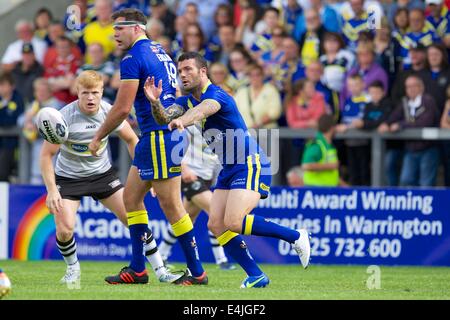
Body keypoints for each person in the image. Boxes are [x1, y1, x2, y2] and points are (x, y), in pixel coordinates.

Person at [143, 51, 311, 288]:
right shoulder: (186, 101)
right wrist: (155, 102)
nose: (183, 75)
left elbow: (203, 111)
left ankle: (295, 236)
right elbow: (163, 117)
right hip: (229, 167)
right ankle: (256, 275)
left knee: (233, 221)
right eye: (180, 71)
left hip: (250, 163)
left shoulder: (217, 95)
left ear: (203, 71)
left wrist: (184, 120)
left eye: (188, 69)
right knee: (216, 224)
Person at [88, 8, 207, 285]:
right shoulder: (159, 50)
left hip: (158, 137)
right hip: (159, 136)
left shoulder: (133, 57)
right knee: (131, 199)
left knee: (172, 206)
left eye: (120, 28)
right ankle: (138, 269)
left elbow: (121, 108)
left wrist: (99, 137)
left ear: (137, 28)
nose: (114, 34)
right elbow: (175, 94)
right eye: (113, 29)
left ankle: (197, 272)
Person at [40, 70, 179, 284]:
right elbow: (46, 155)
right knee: (65, 229)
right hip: (68, 178)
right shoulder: (64, 117)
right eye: (85, 92)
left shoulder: (109, 112)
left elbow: (132, 140)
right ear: (77, 92)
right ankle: (72, 269)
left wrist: (146, 173)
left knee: (134, 218)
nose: (90, 98)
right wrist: (51, 190)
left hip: (103, 175)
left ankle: (161, 270)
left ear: (102, 92)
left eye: (95, 92)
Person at [158, 125, 236, 271]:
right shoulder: (193, 124)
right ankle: (222, 260)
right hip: (190, 176)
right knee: (217, 212)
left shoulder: (220, 125)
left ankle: (161, 254)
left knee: (184, 219)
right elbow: (174, 145)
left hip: (205, 178)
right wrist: (184, 169)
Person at [379, 75, 440, 187]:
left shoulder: (428, 101)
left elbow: (425, 122)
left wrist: (401, 125)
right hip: (411, 149)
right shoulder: (405, 102)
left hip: (428, 148)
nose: (411, 89)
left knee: (426, 184)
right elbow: (394, 116)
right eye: (408, 87)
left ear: (421, 87)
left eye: (414, 86)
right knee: (406, 181)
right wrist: (386, 124)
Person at [301, 114, 342, 187]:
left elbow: (332, 175)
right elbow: (306, 166)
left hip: (327, 191)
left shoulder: (327, 145)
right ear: (332, 128)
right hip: (314, 191)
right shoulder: (317, 145)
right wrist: (330, 166)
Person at [0, 72, 25, 182]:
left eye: (4, 85)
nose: (1, 88)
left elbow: (14, 120)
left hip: (12, 144)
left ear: (12, 86)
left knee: (4, 172)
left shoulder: (18, 99)